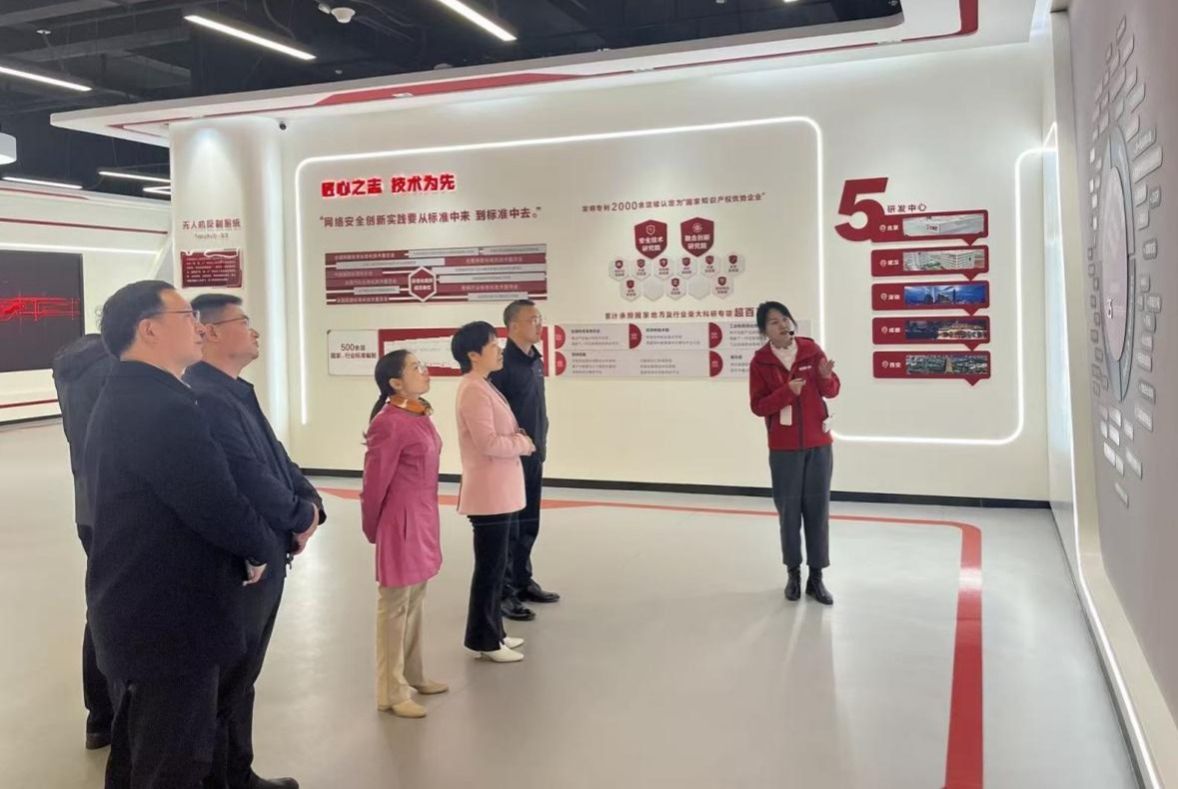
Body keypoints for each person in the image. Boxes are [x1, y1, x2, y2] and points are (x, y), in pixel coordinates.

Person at [84, 280, 281, 789]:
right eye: (187, 316)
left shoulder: (130, 394)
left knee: (140, 752)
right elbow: (216, 502)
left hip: (142, 609)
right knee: (172, 760)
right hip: (170, 619)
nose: (199, 327)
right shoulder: (162, 408)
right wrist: (261, 547)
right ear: (149, 329)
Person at [185, 294, 323, 789]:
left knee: (244, 676)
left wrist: (309, 504)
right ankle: (223, 778)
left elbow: (276, 458)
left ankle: (238, 772)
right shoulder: (205, 396)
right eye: (244, 321)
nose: (255, 331)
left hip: (269, 546)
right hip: (246, 558)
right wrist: (297, 516)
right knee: (230, 678)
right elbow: (244, 475)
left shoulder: (235, 391)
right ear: (210, 331)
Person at [361, 350, 449, 718]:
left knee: (415, 602)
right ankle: (391, 691)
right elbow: (374, 483)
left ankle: (413, 674)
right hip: (400, 522)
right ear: (395, 382)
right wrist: (373, 527)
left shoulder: (419, 414)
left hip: (423, 518)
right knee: (395, 606)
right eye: (415, 367)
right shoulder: (389, 422)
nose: (424, 371)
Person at [452, 321, 534, 663]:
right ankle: (484, 641)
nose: (500, 350)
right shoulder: (472, 389)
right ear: (473, 355)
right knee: (489, 569)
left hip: (500, 492)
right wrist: (523, 443)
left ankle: (494, 632)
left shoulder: (482, 385)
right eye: (492, 346)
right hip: (489, 494)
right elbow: (487, 443)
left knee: (497, 568)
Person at [748, 301, 840, 606]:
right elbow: (758, 406)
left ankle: (817, 577)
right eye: (773, 322)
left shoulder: (811, 351)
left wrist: (825, 377)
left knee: (818, 512)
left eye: (784, 318)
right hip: (784, 449)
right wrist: (788, 392)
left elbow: (832, 391)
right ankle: (793, 574)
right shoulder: (760, 362)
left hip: (818, 445)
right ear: (764, 330)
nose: (782, 325)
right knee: (789, 514)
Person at [51, 333, 116, 751]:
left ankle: (100, 717)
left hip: (88, 506)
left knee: (100, 608)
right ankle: (119, 713)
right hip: (117, 508)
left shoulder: (74, 367)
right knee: (119, 612)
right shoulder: (112, 370)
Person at [489, 300, 559, 623]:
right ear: (513, 325)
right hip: (512, 458)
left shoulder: (535, 361)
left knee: (530, 522)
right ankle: (504, 592)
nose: (539, 324)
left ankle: (522, 580)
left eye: (540, 319)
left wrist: (540, 443)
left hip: (534, 454)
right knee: (512, 527)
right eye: (533, 319)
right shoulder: (502, 366)